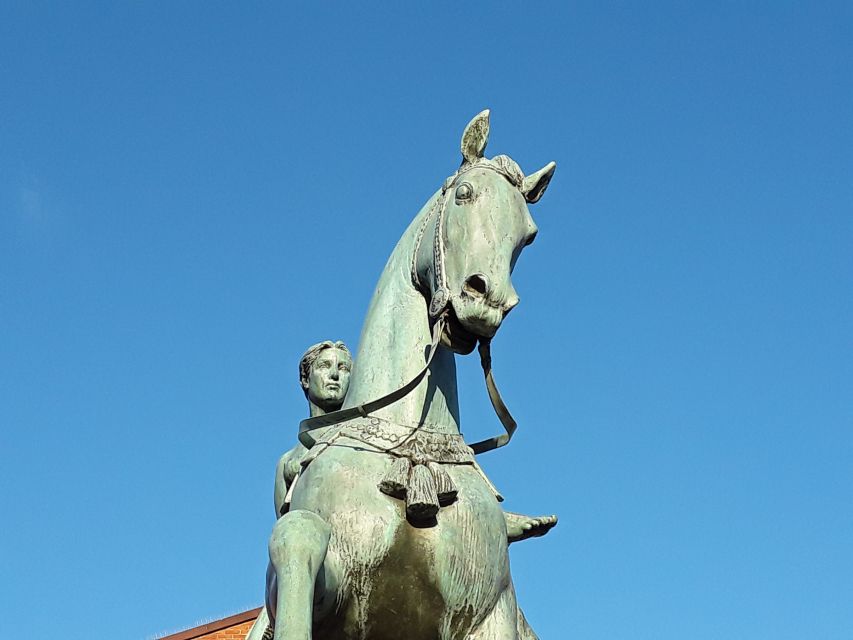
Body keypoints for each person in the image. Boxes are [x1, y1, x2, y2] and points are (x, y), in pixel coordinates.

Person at [273, 340, 556, 541]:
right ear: (305, 379)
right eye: (325, 366)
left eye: (344, 368)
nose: (335, 374)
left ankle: (487, 515)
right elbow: (283, 539)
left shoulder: (366, 440)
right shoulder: (290, 461)